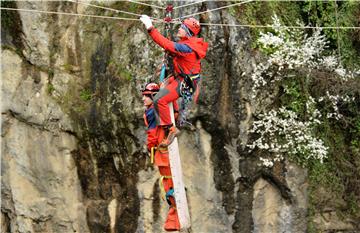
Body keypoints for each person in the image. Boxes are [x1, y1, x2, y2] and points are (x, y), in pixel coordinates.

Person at [140, 15, 208, 147]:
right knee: (163, 87)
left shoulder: (187, 48)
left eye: (182, 28)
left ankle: (171, 129)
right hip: (182, 77)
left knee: (159, 99)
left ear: (188, 32)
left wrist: (150, 28)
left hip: (184, 81)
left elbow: (167, 44)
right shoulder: (189, 44)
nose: (179, 29)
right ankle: (173, 116)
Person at [141, 83, 180, 231]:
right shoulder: (166, 107)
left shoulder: (152, 111)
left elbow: (152, 133)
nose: (144, 99)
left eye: (146, 96)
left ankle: (174, 217)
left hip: (162, 149)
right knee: (170, 180)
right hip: (167, 147)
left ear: (153, 96)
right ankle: (173, 215)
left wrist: (150, 146)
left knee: (168, 181)